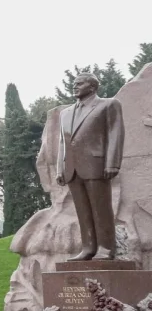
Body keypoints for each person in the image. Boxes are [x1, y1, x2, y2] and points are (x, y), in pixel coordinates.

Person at [56, 72, 125, 261]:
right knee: (82, 211)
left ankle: (106, 248)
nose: (74, 86)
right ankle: (88, 247)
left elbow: (115, 133)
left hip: (96, 164)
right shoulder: (65, 113)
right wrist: (59, 168)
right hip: (72, 168)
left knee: (101, 209)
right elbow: (63, 142)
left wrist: (112, 163)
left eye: (79, 83)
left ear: (92, 87)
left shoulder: (108, 105)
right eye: (74, 83)